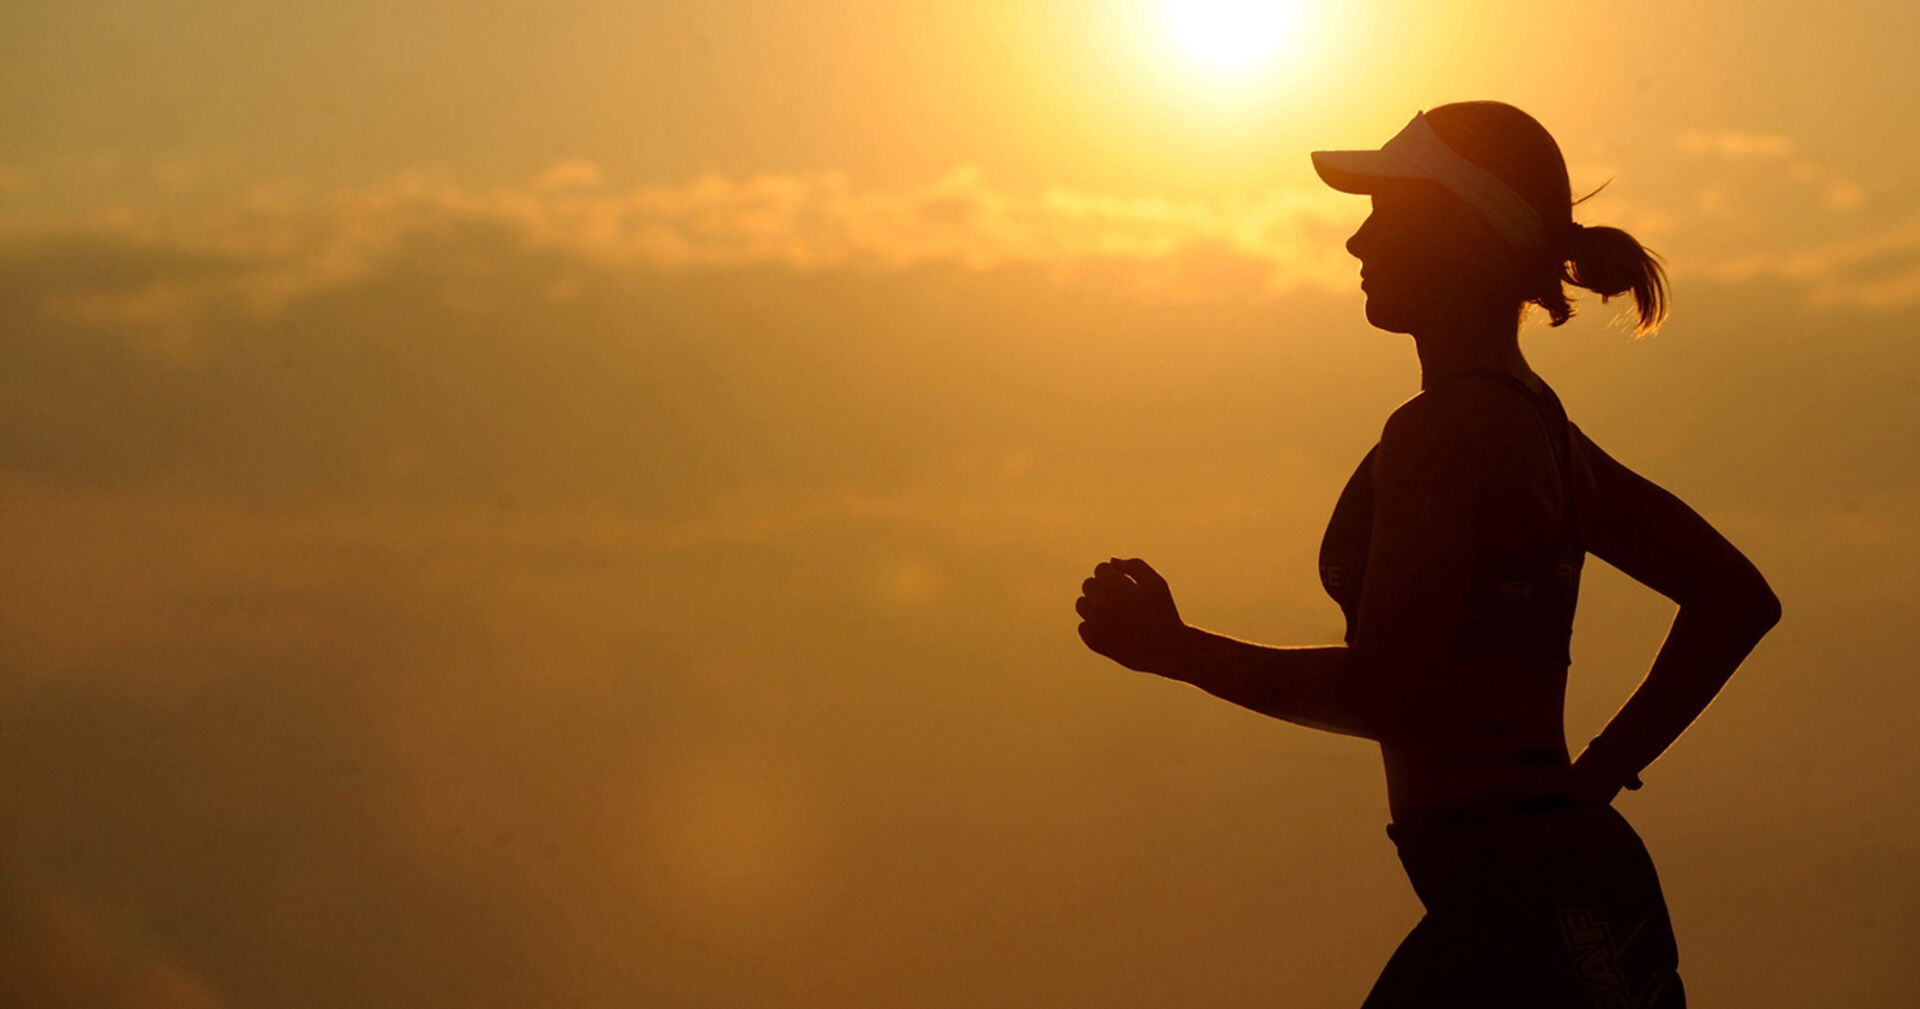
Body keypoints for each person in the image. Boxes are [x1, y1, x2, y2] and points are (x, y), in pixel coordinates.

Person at [1072, 101, 1782, 1007]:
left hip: (1524, 918)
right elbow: (1735, 598)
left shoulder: (1447, 430)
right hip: (1559, 900)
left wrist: (1178, 652)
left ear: (1462, 230)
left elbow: (1386, 693)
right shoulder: (1536, 425)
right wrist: (1591, 780)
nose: (1356, 245)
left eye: (1385, 213)